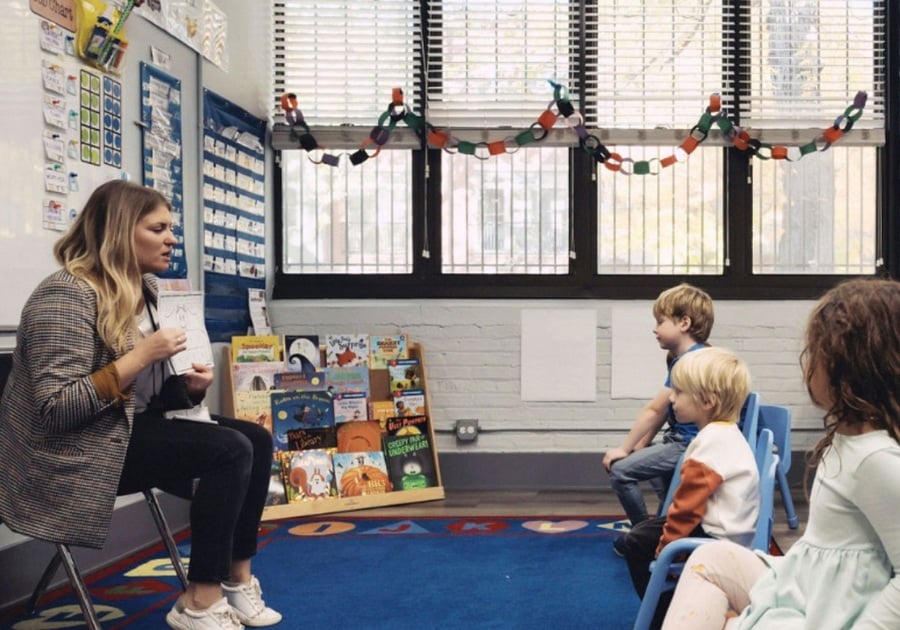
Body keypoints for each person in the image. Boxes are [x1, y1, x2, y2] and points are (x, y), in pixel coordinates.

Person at [0, 181, 281, 630]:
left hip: (123, 428)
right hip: (70, 451)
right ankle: (199, 603)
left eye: (171, 228)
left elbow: (146, 394)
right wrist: (142, 356)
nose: (172, 239)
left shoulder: (145, 289)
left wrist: (188, 390)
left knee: (255, 438)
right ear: (118, 232)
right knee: (229, 449)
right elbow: (56, 407)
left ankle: (235, 579)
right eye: (158, 228)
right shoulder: (64, 295)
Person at [662, 277, 900, 630]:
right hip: (807, 586)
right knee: (709, 557)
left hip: (826, 614)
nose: (806, 364)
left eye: (815, 352)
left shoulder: (875, 459)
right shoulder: (850, 439)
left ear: (846, 366)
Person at [621, 347, 759, 629]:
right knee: (646, 531)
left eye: (679, 392)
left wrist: (666, 550)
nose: (671, 398)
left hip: (715, 536)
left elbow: (686, 508)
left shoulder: (712, 441)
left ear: (707, 400)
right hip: (725, 529)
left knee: (635, 542)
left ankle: (661, 616)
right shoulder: (725, 433)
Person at [603, 283, 715, 549]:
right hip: (679, 440)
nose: (655, 329)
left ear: (684, 323)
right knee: (647, 459)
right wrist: (641, 445)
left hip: (690, 445)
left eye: (660, 321)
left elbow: (655, 409)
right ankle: (665, 528)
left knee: (620, 471)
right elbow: (667, 410)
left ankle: (644, 538)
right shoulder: (682, 357)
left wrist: (624, 448)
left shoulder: (691, 361)